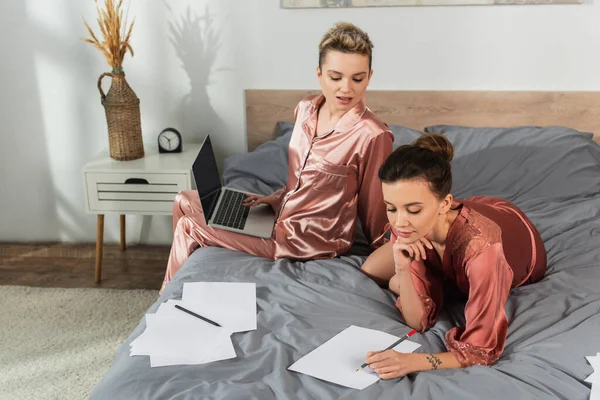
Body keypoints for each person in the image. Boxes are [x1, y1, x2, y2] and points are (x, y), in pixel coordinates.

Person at [160, 22, 394, 292]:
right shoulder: (305, 109)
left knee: (190, 226)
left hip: (306, 240)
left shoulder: (373, 135)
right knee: (183, 200)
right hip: (278, 214)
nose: (346, 88)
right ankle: (184, 284)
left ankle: (166, 298)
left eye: (357, 78)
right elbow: (303, 181)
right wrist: (275, 199)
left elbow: (379, 212)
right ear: (319, 74)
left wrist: (392, 261)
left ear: (370, 76)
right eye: (335, 76)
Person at [360, 133, 547, 378]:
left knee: (416, 283)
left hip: (517, 242)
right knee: (371, 270)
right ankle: (433, 270)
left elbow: (480, 350)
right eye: (391, 208)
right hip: (447, 222)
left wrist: (413, 362)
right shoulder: (406, 224)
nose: (399, 222)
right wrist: (403, 270)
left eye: (413, 209)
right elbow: (416, 323)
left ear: (445, 203)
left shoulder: (483, 249)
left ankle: (440, 276)